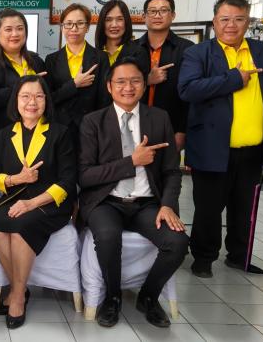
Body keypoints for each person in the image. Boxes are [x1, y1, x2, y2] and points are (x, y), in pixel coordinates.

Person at [178, 0, 263, 278]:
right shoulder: (198, 53)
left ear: (248, 22)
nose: (231, 25)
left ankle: (239, 256)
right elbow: (188, 89)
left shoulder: (262, 51)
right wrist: (234, 79)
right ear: (214, 22)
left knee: (244, 208)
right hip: (211, 147)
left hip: (253, 148)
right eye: (225, 19)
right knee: (208, 209)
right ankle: (203, 258)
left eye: (239, 19)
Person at [79, 58, 188, 328]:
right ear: (109, 86)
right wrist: (132, 162)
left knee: (177, 242)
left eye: (135, 81)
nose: (128, 87)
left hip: (147, 203)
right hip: (106, 201)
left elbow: (172, 171)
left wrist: (167, 205)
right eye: (121, 81)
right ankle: (112, 297)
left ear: (144, 84)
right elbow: (85, 175)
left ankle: (148, 297)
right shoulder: (93, 122)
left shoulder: (159, 118)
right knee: (107, 236)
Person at [0, 75, 76, 329]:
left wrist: (31, 203)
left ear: (46, 100)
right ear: (16, 101)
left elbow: (68, 181)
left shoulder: (61, 132)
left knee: (20, 227)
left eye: (38, 96)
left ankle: (16, 297)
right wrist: (17, 179)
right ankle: (21, 288)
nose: (32, 102)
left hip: (51, 202)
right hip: (14, 198)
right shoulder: (5, 134)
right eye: (25, 96)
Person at [0, 8, 47, 182]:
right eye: (8, 29)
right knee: (6, 187)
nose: (15, 34)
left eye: (20, 28)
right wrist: (20, 85)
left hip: (37, 137)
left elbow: (47, 96)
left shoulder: (36, 61)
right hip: (2, 138)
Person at [44, 3, 110, 145]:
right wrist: (74, 84)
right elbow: (49, 98)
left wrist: (99, 127)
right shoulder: (51, 60)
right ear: (62, 27)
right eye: (68, 24)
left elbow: (104, 99)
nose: (74, 29)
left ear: (87, 27)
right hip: (59, 127)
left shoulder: (100, 57)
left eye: (80, 23)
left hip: (91, 127)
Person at [136, 0, 195, 151]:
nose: (157, 15)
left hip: (171, 127)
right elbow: (120, 85)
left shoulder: (188, 49)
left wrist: (182, 130)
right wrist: (147, 80)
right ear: (144, 16)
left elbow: (191, 95)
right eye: (152, 11)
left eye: (163, 10)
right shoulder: (130, 49)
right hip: (134, 126)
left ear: (173, 15)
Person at [95, 0, 150, 75]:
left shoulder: (139, 53)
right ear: (102, 23)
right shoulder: (94, 54)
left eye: (119, 19)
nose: (114, 25)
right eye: (108, 20)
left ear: (126, 22)